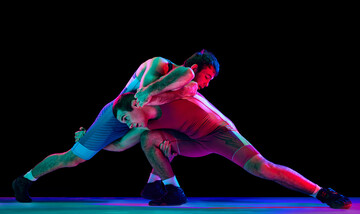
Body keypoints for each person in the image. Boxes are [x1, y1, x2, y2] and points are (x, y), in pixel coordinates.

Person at [12, 50, 220, 202]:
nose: (207, 83)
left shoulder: (181, 88)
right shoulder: (160, 64)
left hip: (143, 119)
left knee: (167, 140)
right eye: (207, 76)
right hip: (118, 115)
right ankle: (24, 179)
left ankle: (154, 184)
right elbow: (142, 95)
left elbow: (120, 146)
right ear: (193, 68)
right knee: (74, 158)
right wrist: (182, 92)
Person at [112, 91, 352, 209]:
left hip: (220, 134)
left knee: (263, 168)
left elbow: (187, 77)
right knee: (150, 139)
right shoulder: (145, 124)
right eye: (123, 123)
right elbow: (120, 145)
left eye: (125, 118)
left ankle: (322, 192)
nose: (127, 124)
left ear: (136, 104)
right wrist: (84, 140)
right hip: (193, 142)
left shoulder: (165, 96)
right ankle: (173, 191)